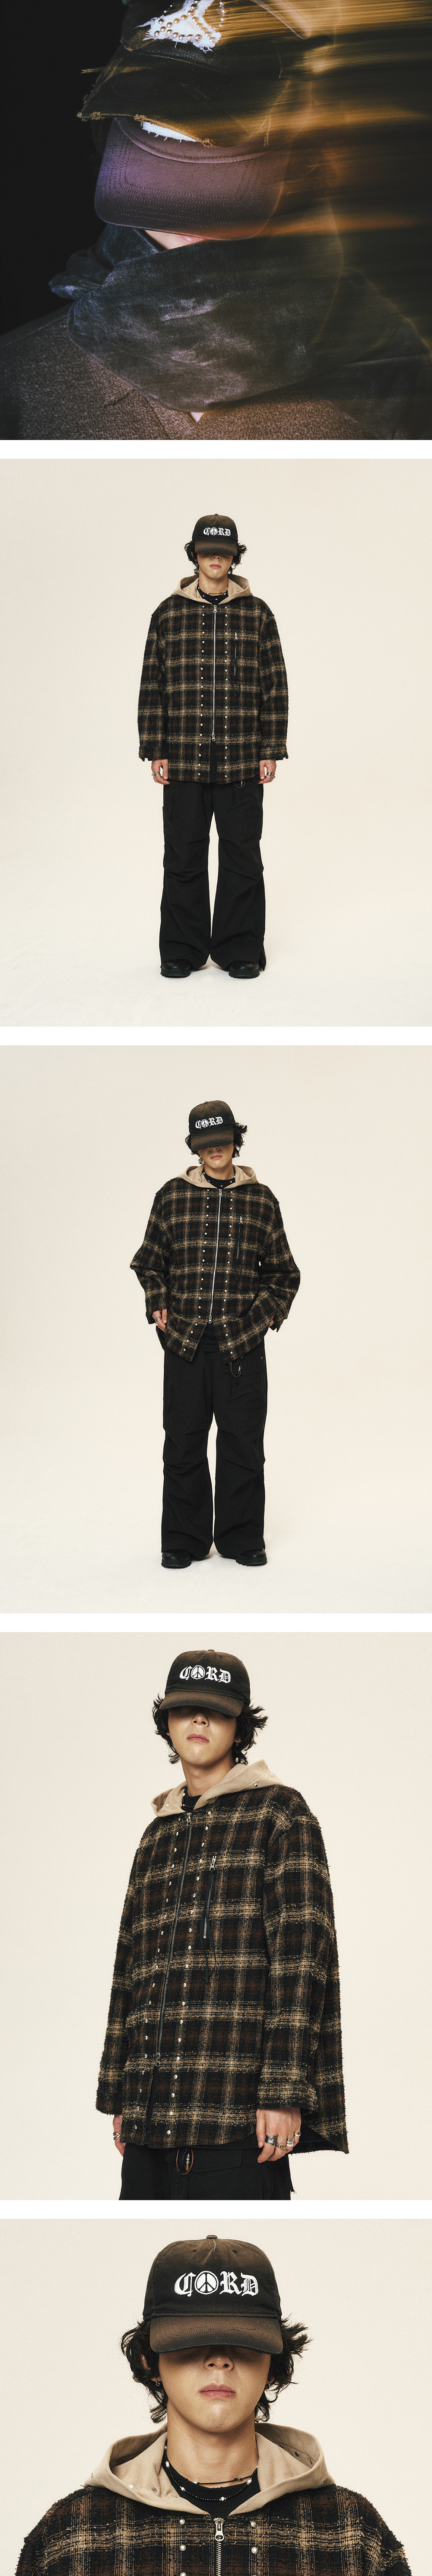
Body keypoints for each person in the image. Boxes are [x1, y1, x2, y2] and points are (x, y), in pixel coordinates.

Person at [2, 2233, 431, 2576]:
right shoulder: (69, 2541)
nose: (219, 2360)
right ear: (149, 2358)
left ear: (275, 2361)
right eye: (192, 2341)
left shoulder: (352, 2537)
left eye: (242, 2342)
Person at [2, 0, 432, 440]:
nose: (187, 217)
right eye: (160, 138)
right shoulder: (18, 379)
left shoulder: (396, 379)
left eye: (228, 151)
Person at [96, 1642, 347, 2198]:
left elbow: (301, 1961)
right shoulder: (157, 1833)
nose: (199, 1720)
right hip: (148, 2121)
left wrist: (283, 2091)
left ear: (240, 1726)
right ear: (167, 1722)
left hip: (236, 2118)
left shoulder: (281, 1814)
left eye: (216, 1710)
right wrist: (121, 2092)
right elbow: (129, 1967)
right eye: (185, 1709)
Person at [130, 1096, 300, 1567]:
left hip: (242, 1348)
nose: (215, 1149)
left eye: (222, 1140)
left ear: (234, 1141)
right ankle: (183, 1541)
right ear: (196, 1147)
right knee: (183, 1444)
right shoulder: (171, 1196)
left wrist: (259, 1321)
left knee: (243, 1445)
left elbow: (284, 1275)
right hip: (184, 1344)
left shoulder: (262, 1200)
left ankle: (241, 1538)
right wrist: (158, 1300)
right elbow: (149, 1262)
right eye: (206, 1143)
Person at [138, 509, 288, 980]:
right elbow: (152, 683)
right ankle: (182, 949)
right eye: (208, 552)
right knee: (183, 856)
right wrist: (155, 747)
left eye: (223, 552)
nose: (215, 559)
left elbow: (274, 684)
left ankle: (239, 948)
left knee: (242, 856)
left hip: (242, 759)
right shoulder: (167, 614)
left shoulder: (258, 614)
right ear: (195, 555)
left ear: (234, 557)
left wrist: (271, 748)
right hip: (183, 758)